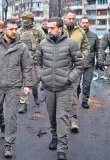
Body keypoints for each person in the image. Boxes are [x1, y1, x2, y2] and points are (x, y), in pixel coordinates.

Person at [0, 19, 34, 158]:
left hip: (14, 86)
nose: (14, 31)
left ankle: (9, 145)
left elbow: (27, 66)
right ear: (4, 30)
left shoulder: (22, 47)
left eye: (16, 29)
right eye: (11, 29)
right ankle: (2, 126)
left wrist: (27, 84)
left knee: (11, 116)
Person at [34, 17, 83, 160]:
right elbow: (36, 62)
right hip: (48, 87)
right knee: (52, 115)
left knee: (62, 117)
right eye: (48, 28)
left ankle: (62, 148)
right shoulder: (43, 44)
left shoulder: (71, 44)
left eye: (52, 28)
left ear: (60, 29)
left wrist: (69, 78)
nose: (48, 30)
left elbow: (80, 64)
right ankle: (54, 137)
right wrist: (41, 75)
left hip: (65, 88)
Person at [63, 9, 90, 133]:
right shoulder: (58, 29)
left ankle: (73, 120)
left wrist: (82, 57)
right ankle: (60, 118)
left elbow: (86, 46)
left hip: (74, 67)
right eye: (69, 18)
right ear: (64, 18)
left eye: (73, 18)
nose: (71, 20)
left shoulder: (80, 32)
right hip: (59, 67)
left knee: (73, 93)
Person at [17, 11, 46, 113]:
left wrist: (41, 56)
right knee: (22, 81)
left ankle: (35, 95)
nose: (24, 21)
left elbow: (45, 43)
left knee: (34, 82)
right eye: (23, 19)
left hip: (34, 59)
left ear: (31, 19)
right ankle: (23, 102)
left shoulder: (38, 30)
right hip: (22, 59)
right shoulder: (19, 31)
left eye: (26, 19)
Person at [79, 17, 99, 109]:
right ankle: (75, 99)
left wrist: (99, 61)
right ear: (80, 23)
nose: (84, 24)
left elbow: (98, 49)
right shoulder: (76, 35)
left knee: (86, 84)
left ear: (89, 24)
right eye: (83, 22)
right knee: (75, 85)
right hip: (77, 64)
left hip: (89, 64)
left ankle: (84, 101)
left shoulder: (94, 36)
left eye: (86, 22)